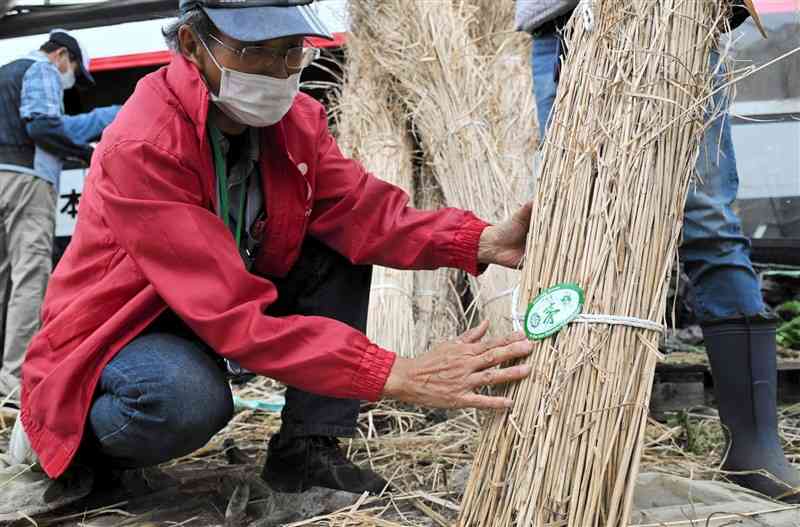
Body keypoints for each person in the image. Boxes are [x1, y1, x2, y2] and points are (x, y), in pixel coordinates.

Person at [9, 0, 535, 505]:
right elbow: (228, 310)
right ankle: (71, 440)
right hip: (126, 328)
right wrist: (395, 373)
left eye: (291, 51)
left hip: (211, 307)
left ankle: (306, 449)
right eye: (256, 50)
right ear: (194, 44)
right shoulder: (145, 142)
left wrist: (479, 240)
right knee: (187, 400)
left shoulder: (294, 121)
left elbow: (363, 211)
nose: (278, 71)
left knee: (338, 246)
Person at [515, 0, 800, 501]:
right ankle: (577, 440)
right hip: (564, 25)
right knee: (580, 225)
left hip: (681, 23)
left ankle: (755, 447)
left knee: (708, 219)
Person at [0, 29, 120, 405]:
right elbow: (42, 125)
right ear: (62, 56)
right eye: (73, 71)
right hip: (27, 180)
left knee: (2, 281)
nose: (69, 81)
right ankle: (13, 388)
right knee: (29, 278)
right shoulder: (42, 70)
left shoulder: (4, 73)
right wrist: (87, 152)